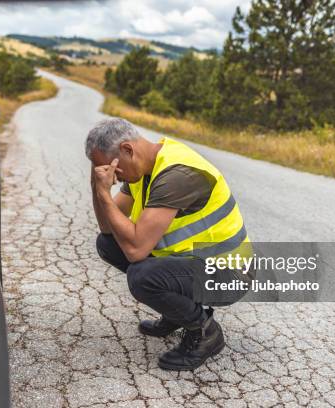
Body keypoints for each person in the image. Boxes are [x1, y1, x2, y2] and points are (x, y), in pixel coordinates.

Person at [86, 118, 252, 371]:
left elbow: (136, 250)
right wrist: (97, 187)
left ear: (127, 150)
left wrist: (103, 194)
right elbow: (107, 228)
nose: (114, 179)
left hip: (230, 274)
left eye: (113, 170)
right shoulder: (143, 167)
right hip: (194, 263)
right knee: (107, 244)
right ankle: (178, 314)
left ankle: (205, 332)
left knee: (142, 276)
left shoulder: (177, 175)